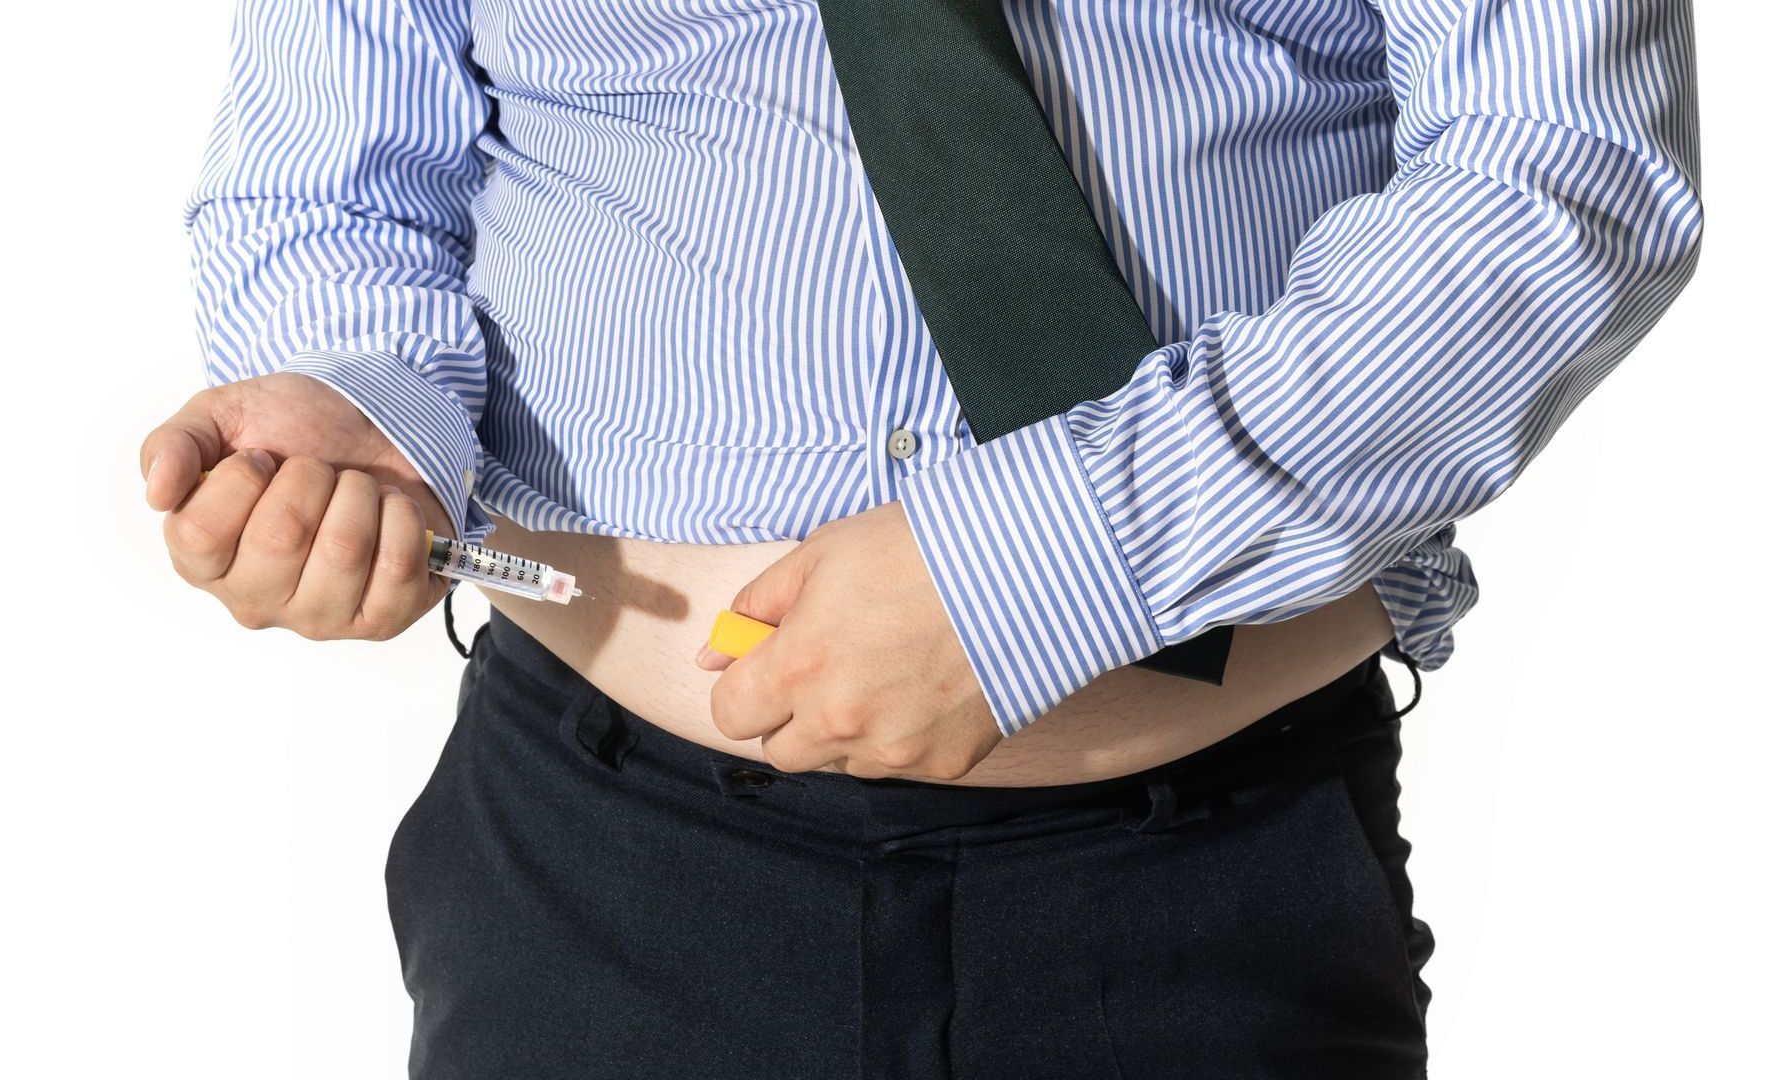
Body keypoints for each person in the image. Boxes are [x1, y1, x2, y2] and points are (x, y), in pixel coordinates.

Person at [140, 1, 1700, 1076]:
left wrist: (1031, 572)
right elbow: (335, 173)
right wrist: (356, 404)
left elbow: (1559, 177)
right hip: (596, 869)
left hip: (1210, 872)